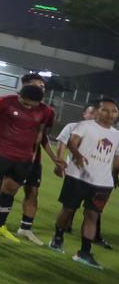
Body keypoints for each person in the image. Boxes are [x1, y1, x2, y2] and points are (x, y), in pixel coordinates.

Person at [0, 80, 65, 241]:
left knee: (11, 190)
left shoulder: (46, 111)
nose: (29, 107)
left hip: (24, 158)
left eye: (33, 105)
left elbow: (41, 134)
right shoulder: (6, 101)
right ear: (20, 96)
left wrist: (50, 157)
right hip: (0, 152)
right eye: (25, 103)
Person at [50, 97, 119, 269]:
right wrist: (78, 156)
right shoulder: (85, 126)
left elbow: (116, 158)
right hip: (77, 177)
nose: (110, 114)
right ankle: (58, 237)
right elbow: (72, 143)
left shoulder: (117, 135)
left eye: (114, 111)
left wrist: (115, 175)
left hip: (102, 183)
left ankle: (84, 252)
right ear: (98, 111)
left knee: (92, 215)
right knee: (68, 209)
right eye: (106, 110)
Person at [0, 73, 56, 244]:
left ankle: (25, 228)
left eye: (42, 86)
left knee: (33, 191)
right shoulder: (10, 102)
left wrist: (55, 158)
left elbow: (43, 137)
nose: (41, 88)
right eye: (36, 85)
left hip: (33, 158)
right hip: (9, 153)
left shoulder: (46, 111)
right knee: (2, 186)